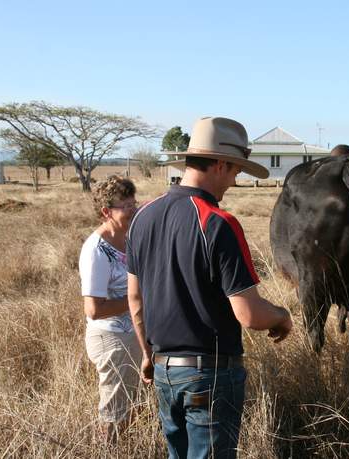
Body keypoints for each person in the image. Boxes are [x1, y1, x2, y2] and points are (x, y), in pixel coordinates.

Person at [127, 117, 293, 458]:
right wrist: (281, 316)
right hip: (210, 374)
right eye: (235, 171)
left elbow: (135, 298)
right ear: (219, 165)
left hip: (163, 369)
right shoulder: (219, 223)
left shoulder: (142, 217)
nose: (234, 181)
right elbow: (250, 314)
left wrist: (147, 354)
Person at [79, 175, 142, 444]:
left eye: (134, 203)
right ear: (106, 212)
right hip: (112, 340)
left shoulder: (130, 238)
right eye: (125, 206)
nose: (133, 210)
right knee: (114, 414)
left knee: (133, 407)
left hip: (133, 335)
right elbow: (94, 309)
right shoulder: (96, 250)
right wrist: (139, 299)